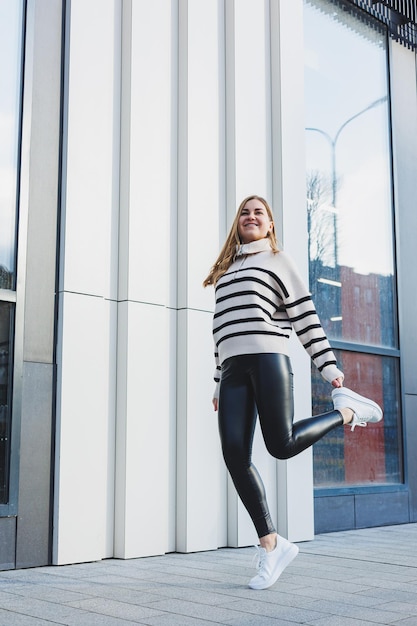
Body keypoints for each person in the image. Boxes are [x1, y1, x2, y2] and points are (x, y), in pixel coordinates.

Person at [203, 194, 383, 591]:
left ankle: (346, 413)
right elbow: (221, 331)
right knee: (234, 452)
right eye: (245, 213)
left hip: (269, 360)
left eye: (259, 213)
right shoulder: (227, 270)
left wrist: (329, 367)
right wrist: (218, 380)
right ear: (238, 224)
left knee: (280, 445)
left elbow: (306, 318)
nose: (251, 217)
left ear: (269, 225)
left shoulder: (277, 261)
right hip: (232, 370)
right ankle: (272, 544)